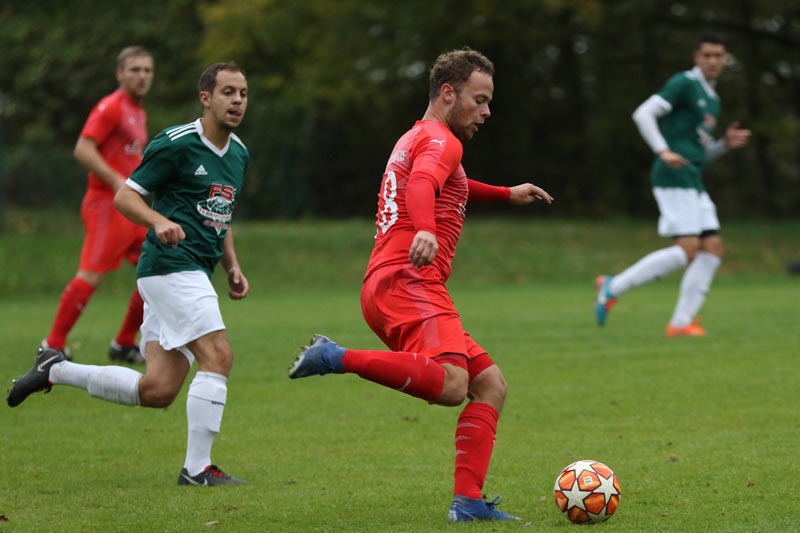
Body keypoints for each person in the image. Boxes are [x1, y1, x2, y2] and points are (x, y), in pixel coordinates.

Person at [287, 48, 553, 522]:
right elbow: (423, 184)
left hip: (387, 282)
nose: (487, 112)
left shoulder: (418, 136)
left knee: (489, 384)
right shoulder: (444, 142)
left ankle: (468, 503)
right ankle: (334, 356)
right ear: (448, 93)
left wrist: (505, 193)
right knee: (452, 385)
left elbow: (447, 182)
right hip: (411, 278)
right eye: (480, 100)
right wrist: (426, 229)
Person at [8, 62, 251, 487]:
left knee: (158, 390)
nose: (237, 101)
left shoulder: (239, 153)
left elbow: (222, 214)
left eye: (243, 94)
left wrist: (232, 265)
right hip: (171, 267)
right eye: (228, 92)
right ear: (205, 98)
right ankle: (197, 469)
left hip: (191, 271)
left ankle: (54, 369)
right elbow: (125, 197)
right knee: (219, 356)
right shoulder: (176, 142)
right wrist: (157, 220)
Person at [595, 33, 750, 336]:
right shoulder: (684, 83)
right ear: (696, 57)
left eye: (719, 55)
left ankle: (680, 324)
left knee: (712, 248)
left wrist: (724, 145)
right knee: (688, 249)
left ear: (725, 58)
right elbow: (643, 113)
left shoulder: (712, 98)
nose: (713, 60)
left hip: (692, 178)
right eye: (707, 55)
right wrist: (662, 150)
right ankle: (614, 286)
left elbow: (698, 153)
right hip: (673, 176)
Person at [43, 46, 155, 364]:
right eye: (135, 69)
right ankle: (52, 346)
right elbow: (83, 148)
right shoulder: (111, 107)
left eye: (147, 70)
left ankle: (123, 344)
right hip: (106, 204)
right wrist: (117, 180)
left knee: (158, 269)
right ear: (120, 74)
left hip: (130, 206)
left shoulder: (138, 112)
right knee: (90, 275)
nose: (142, 76)